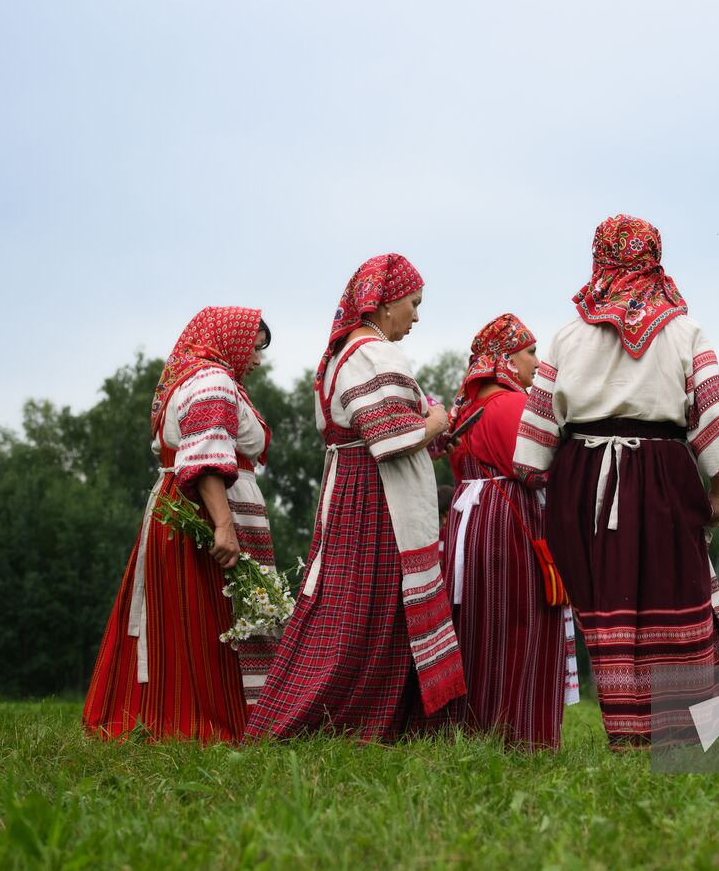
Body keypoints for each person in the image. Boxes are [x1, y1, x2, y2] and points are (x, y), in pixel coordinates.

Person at [514, 214, 719, 748]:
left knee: (611, 607)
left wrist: (543, 478)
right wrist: (718, 495)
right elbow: (716, 421)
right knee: (675, 598)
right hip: (663, 477)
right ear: (654, 258)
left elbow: (533, 448)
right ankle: (682, 732)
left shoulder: (565, 335)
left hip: (584, 484)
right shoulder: (683, 330)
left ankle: (628, 734)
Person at [245, 254, 466, 742]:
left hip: (355, 489)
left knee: (352, 605)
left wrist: (426, 431)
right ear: (384, 305)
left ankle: (368, 721)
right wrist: (437, 421)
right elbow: (388, 438)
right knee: (368, 608)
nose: (416, 315)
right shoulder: (372, 353)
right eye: (413, 303)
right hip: (375, 499)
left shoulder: (342, 354)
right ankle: (334, 721)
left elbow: (376, 430)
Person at [84, 306, 278, 742]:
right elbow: (207, 458)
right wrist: (224, 526)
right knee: (209, 617)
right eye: (254, 347)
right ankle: (206, 721)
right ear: (229, 340)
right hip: (204, 508)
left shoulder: (190, 377)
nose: (258, 360)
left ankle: (157, 713)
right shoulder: (212, 380)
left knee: (183, 613)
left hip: (181, 506)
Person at [441, 313, 580, 750]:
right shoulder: (510, 405)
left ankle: (469, 731)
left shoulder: (467, 408)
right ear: (506, 359)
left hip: (468, 523)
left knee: (477, 628)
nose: (538, 363)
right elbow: (536, 470)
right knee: (520, 626)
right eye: (531, 352)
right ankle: (521, 735)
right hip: (509, 523)